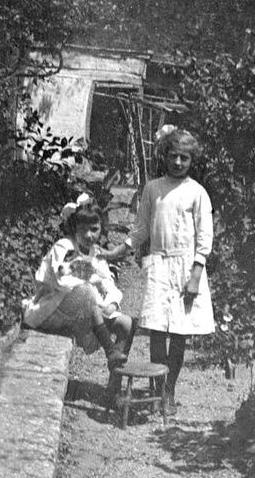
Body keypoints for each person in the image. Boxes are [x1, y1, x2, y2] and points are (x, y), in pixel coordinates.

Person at [107, 126, 215, 414]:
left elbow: (205, 238)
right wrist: (120, 250)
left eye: (184, 158)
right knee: (156, 330)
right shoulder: (153, 188)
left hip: (186, 268)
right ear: (164, 156)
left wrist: (195, 276)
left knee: (178, 333)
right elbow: (142, 227)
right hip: (158, 265)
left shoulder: (197, 192)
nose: (178, 163)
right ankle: (156, 389)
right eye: (173, 156)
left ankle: (169, 391)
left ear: (192, 160)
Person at [22, 193, 134, 370]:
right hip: (54, 310)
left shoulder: (95, 253)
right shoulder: (65, 247)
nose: (89, 235)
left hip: (83, 311)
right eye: (83, 230)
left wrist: (111, 303)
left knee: (126, 324)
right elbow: (63, 281)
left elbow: (107, 282)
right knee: (87, 291)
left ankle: (114, 384)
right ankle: (110, 349)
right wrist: (94, 295)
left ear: (101, 228)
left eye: (94, 229)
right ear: (74, 228)